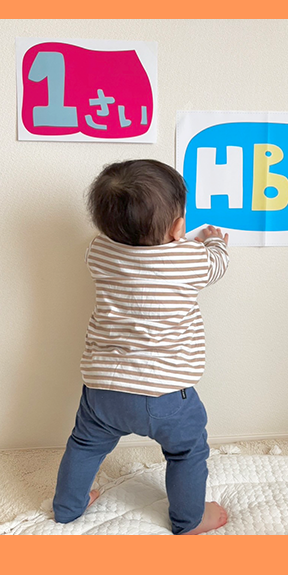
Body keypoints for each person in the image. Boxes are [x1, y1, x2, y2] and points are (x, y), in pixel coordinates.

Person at [52, 159, 230, 535]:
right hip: (168, 396)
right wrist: (214, 242)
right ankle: (190, 519)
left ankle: (68, 507)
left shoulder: (98, 252)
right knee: (187, 451)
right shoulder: (189, 258)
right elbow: (217, 265)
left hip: (103, 391)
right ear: (178, 228)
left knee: (84, 445)